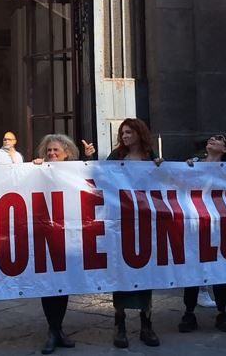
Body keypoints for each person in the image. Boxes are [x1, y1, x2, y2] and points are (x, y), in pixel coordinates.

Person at [28, 134, 95, 354]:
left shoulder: (75, 170)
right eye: (48, 151)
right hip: (45, 235)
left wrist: (89, 160)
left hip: (67, 235)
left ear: (67, 153)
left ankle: (55, 331)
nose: (51, 154)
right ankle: (53, 330)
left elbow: (97, 178)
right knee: (48, 282)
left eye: (56, 150)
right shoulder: (37, 170)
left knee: (63, 283)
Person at [178, 134, 226, 334]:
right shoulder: (194, 164)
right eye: (210, 138)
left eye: (218, 139)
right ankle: (189, 311)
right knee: (192, 267)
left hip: (219, 224)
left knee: (219, 268)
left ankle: (222, 311)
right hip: (195, 223)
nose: (212, 139)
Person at [104, 118, 162, 348]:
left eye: (129, 132)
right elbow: (98, 175)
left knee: (145, 272)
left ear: (139, 133)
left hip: (145, 222)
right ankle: (120, 325)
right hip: (122, 223)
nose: (125, 136)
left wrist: (161, 166)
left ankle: (146, 325)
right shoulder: (116, 157)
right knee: (121, 273)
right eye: (123, 133)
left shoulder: (151, 157)